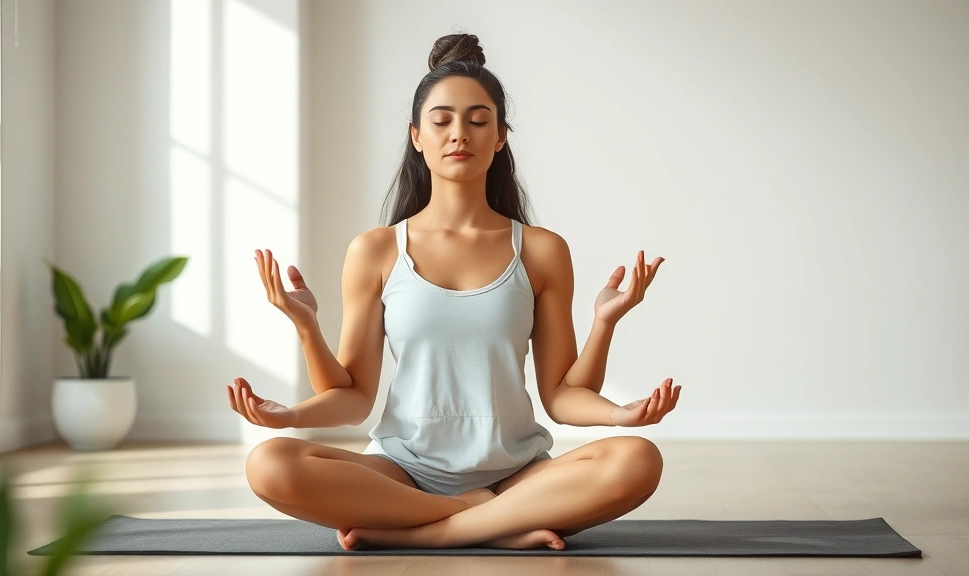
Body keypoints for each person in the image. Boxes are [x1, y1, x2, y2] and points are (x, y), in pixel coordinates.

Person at [227, 33, 680, 551]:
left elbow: (560, 397)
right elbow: (353, 399)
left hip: (517, 473)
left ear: (501, 136)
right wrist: (298, 362)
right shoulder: (376, 250)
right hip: (404, 471)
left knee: (637, 458)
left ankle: (432, 532)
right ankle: (487, 522)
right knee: (270, 464)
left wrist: (613, 363)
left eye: (478, 120)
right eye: (441, 121)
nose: (458, 134)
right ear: (417, 136)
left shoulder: (541, 250)